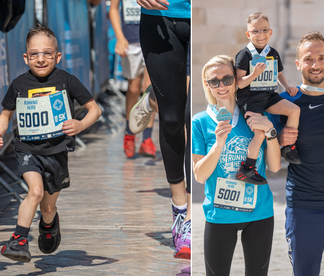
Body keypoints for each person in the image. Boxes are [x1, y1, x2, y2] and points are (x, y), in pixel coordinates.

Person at [0, 26, 101, 262]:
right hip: (28, 150)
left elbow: (95, 109)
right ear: (26, 57)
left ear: (57, 56)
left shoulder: (67, 80)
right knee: (35, 192)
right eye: (34, 54)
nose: (40, 59)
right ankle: (19, 240)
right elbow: (5, 114)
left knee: (48, 207)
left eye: (47, 53)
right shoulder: (19, 84)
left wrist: (80, 125)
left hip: (57, 151)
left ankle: (49, 223)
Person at [192, 55, 281, 276]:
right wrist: (218, 145)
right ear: (207, 85)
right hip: (219, 214)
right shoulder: (200, 121)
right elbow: (199, 176)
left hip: (259, 212)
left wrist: (269, 131)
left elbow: (275, 167)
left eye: (227, 79)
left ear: (237, 80)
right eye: (214, 81)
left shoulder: (257, 115)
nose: (221, 86)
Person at [270, 31, 324, 276]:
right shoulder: (283, 103)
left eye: (321, 58)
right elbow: (266, 154)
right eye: (309, 58)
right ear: (298, 63)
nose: (315, 64)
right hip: (302, 209)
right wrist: (278, 140)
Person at [132, 0, 191, 260]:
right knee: (171, 118)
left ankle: (192, 215)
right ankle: (179, 207)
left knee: (194, 113)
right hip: (160, 15)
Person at [235, 12, 301, 185]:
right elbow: (239, 83)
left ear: (270, 32)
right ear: (248, 34)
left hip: (269, 95)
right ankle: (247, 169)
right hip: (250, 98)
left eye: (264, 30)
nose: (260, 34)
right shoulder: (244, 54)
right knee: (259, 133)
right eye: (255, 31)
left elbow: (278, 73)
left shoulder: (272, 52)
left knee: (294, 110)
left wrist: (287, 86)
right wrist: (254, 74)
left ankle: (288, 147)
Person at [108, 0, 157, 158]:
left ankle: (147, 138)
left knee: (149, 90)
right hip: (131, 43)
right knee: (133, 89)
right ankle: (130, 133)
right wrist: (120, 38)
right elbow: (114, 9)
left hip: (152, 39)